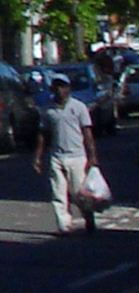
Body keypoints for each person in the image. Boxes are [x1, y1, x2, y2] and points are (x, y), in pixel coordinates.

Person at [38, 73, 100, 235]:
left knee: (79, 192)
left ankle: (88, 217)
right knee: (58, 192)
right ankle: (64, 225)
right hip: (57, 156)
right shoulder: (48, 110)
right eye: (56, 86)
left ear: (69, 88)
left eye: (62, 86)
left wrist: (92, 157)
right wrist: (38, 156)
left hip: (77, 156)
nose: (59, 90)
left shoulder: (79, 107)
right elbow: (43, 133)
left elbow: (87, 133)